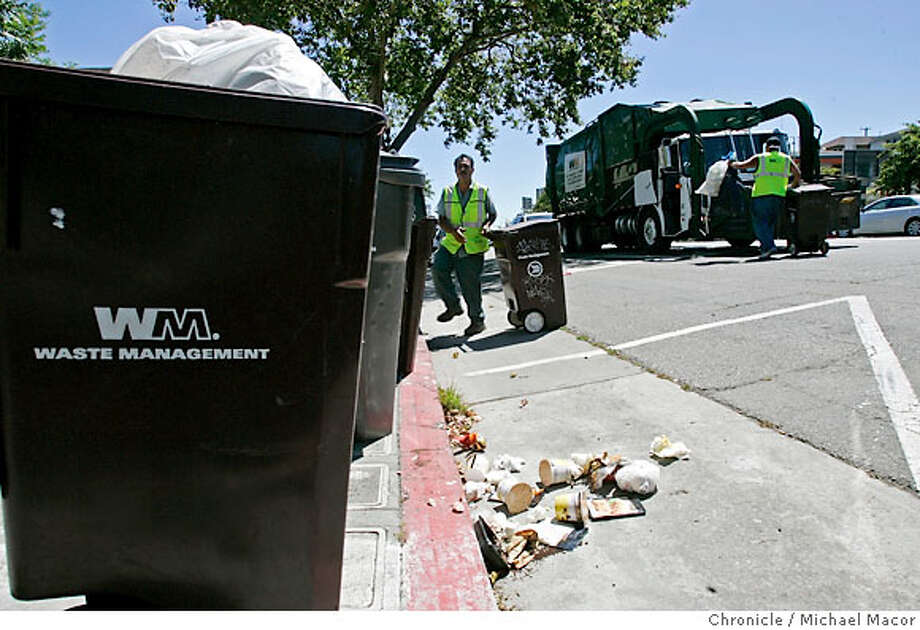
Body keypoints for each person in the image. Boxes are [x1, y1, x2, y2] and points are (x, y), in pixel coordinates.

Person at [432, 154, 497, 337]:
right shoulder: (447, 192)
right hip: (452, 242)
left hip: (473, 246)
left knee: (470, 285)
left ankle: (477, 321)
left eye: (466, 166)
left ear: (472, 170)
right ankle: (453, 306)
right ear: (455, 170)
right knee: (438, 269)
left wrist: (486, 226)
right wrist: (453, 231)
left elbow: (492, 214)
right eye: (460, 167)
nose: (463, 169)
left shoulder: (482, 191)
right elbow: (441, 218)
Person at [728, 136, 801, 259]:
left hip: (761, 195)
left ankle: (768, 246)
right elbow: (797, 174)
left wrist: (731, 163)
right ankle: (767, 246)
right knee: (770, 223)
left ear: (767, 147)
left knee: (760, 223)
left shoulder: (760, 158)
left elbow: (741, 166)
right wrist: (790, 186)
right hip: (779, 195)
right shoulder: (786, 159)